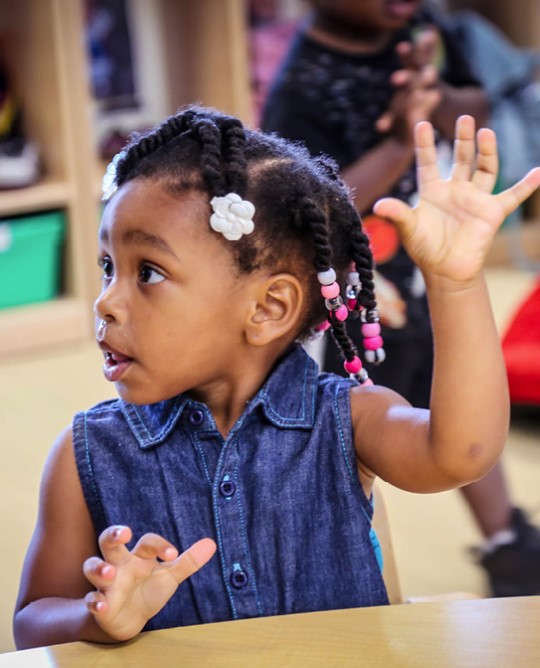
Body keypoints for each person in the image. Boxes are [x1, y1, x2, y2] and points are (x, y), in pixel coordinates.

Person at [13, 104, 540, 649]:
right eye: (107, 267)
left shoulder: (349, 419)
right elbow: (32, 620)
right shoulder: (86, 454)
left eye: (148, 272)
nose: (106, 303)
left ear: (268, 308)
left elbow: (463, 452)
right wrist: (98, 616)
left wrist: (454, 283)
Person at [261, 0, 540, 598]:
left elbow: (477, 107)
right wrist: (396, 137)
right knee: (346, 434)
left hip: (436, 278)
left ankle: (508, 544)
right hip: (362, 305)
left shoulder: (426, 30)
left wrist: (433, 99)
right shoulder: (300, 86)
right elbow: (309, 207)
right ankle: (331, 562)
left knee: (465, 402)